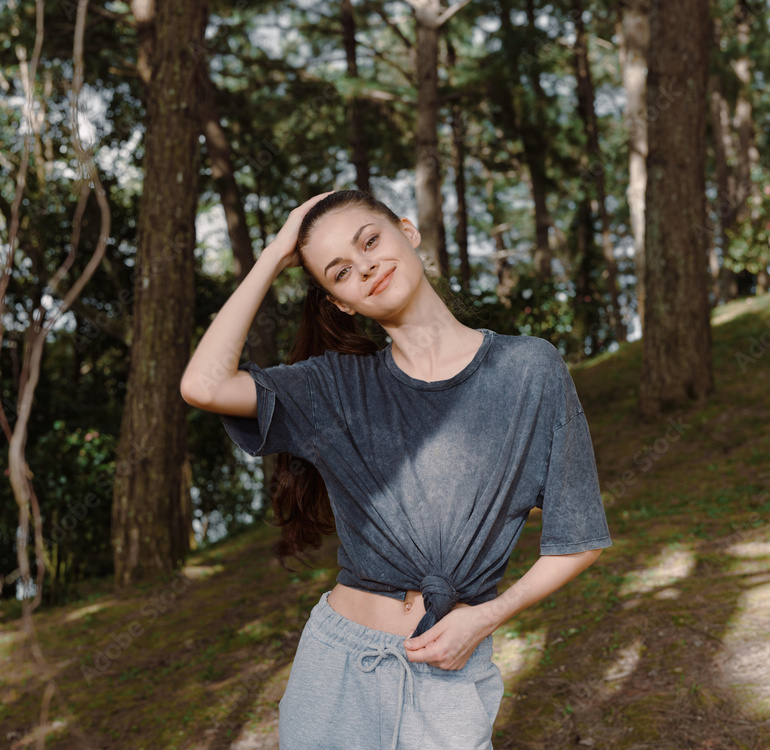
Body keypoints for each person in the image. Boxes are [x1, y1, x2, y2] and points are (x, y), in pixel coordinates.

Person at [180, 190, 612, 750]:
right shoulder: (335, 387)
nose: (365, 267)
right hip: (336, 666)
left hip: (448, 668)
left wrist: (487, 618)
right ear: (341, 303)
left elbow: (578, 539)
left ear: (407, 232)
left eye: (370, 241)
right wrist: (275, 253)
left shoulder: (529, 369)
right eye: (341, 272)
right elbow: (203, 385)